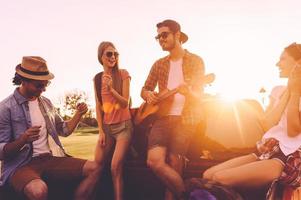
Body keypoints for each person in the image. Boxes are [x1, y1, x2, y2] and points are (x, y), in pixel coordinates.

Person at [203, 42, 301, 189]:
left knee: (219, 178)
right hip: (270, 149)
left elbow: (293, 131)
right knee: (208, 175)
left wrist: (295, 93)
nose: (277, 63)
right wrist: (289, 89)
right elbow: (268, 124)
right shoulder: (279, 91)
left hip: (289, 157)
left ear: (298, 63)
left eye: (283, 59)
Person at [0, 56, 100, 200]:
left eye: (46, 84)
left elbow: (64, 130)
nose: (44, 89)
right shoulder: (5, 108)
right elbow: (2, 152)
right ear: (24, 81)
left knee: (95, 168)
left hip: (49, 160)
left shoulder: (46, 103)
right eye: (39, 85)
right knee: (38, 191)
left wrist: (78, 114)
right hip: (20, 166)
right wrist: (23, 139)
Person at [141, 19, 205, 200]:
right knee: (154, 161)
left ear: (178, 35)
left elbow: (199, 96)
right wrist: (149, 95)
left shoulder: (195, 61)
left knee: (174, 163)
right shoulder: (158, 64)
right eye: (158, 37)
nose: (161, 39)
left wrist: (189, 92)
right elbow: (144, 89)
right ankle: (189, 195)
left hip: (186, 119)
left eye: (164, 35)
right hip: (162, 118)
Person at [93, 41, 133, 200]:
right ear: (101, 57)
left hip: (124, 127)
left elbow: (125, 102)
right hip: (107, 130)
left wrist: (111, 89)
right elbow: (98, 106)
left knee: (115, 167)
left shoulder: (123, 74)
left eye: (115, 54)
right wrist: (101, 131)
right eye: (109, 54)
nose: (113, 57)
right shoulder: (97, 78)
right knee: (95, 165)